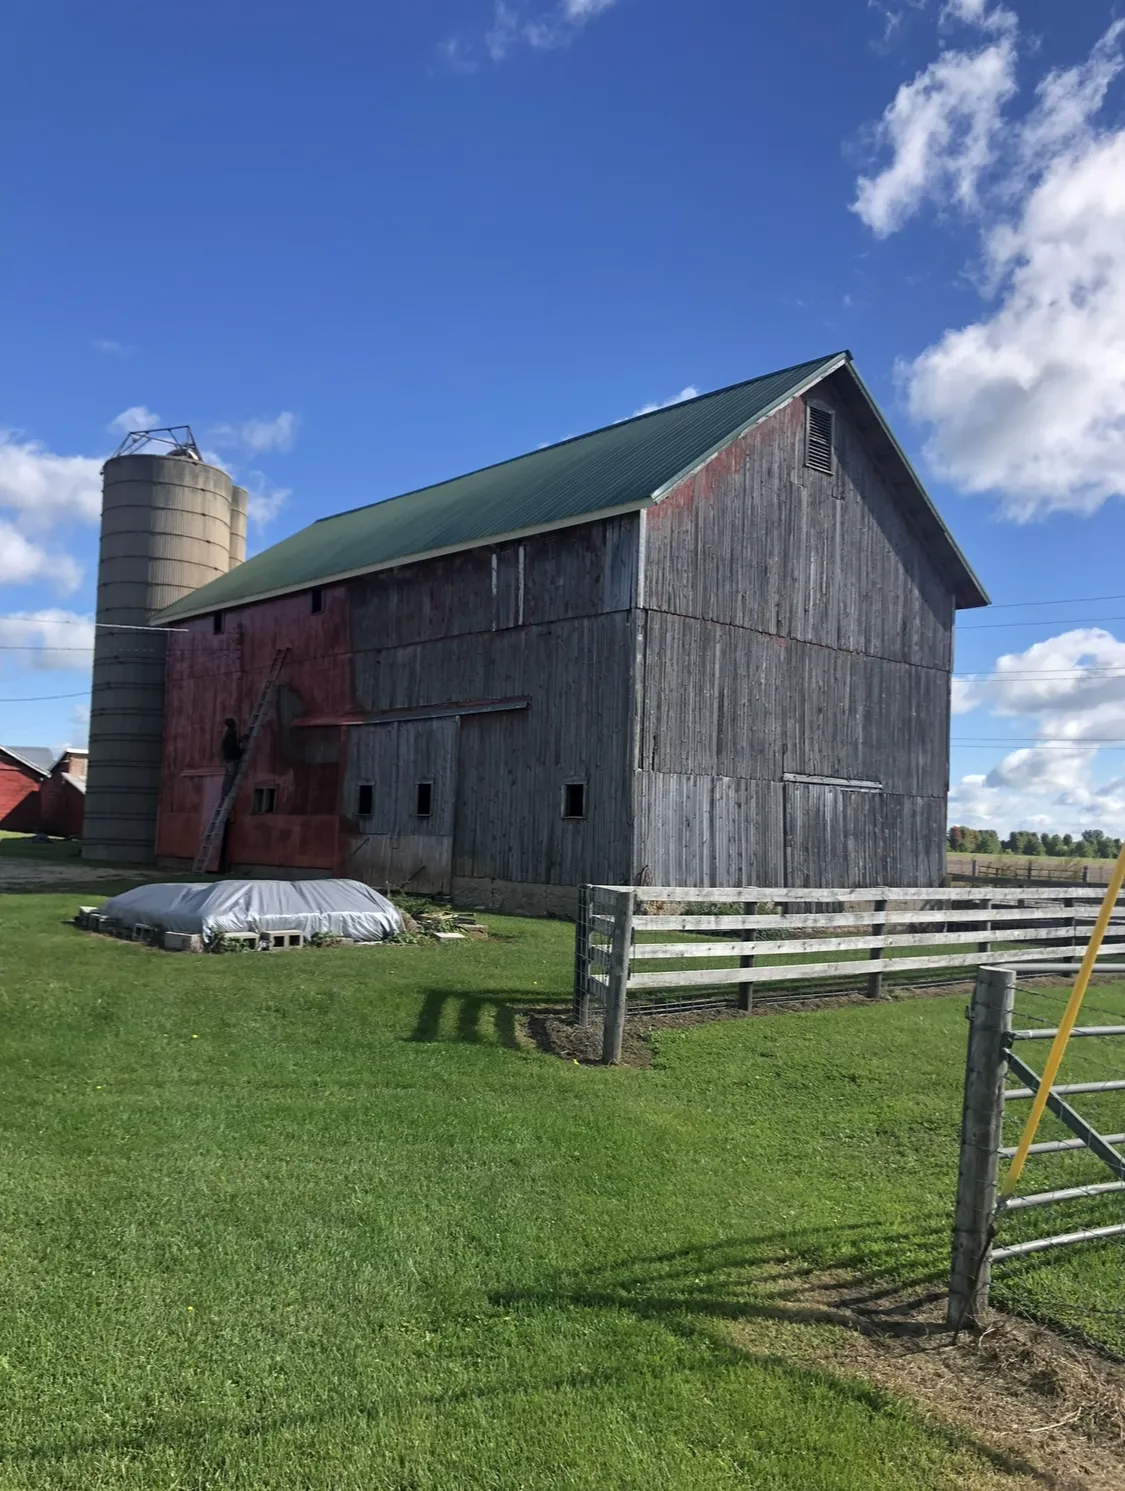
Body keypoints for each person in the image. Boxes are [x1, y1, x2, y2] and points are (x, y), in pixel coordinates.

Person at [220, 718, 244, 799]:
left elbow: (230, 745)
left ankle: (224, 793)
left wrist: (240, 742)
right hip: (232, 758)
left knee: (228, 776)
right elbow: (233, 746)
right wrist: (241, 752)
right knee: (231, 776)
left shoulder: (228, 734)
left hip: (228, 757)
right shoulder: (231, 733)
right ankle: (226, 794)